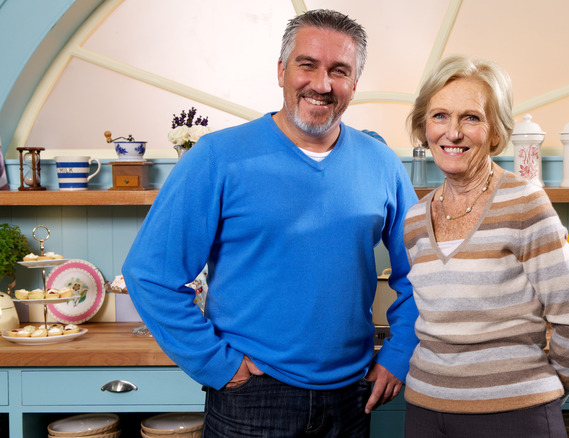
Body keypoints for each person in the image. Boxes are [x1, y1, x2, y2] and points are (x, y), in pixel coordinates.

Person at [122, 9, 419, 438]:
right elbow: (150, 274)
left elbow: (422, 272)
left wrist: (399, 352)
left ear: (354, 85)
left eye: (339, 71)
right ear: (281, 71)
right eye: (307, 65)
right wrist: (218, 365)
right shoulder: (217, 157)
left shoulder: (383, 164)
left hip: (353, 395)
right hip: (252, 396)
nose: (322, 84)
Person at [402, 55, 569, 438]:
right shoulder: (414, 219)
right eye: (440, 116)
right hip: (426, 412)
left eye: (471, 118)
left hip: (515, 415)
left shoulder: (525, 202)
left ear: (495, 132)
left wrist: (538, 393)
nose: (453, 133)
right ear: (424, 127)